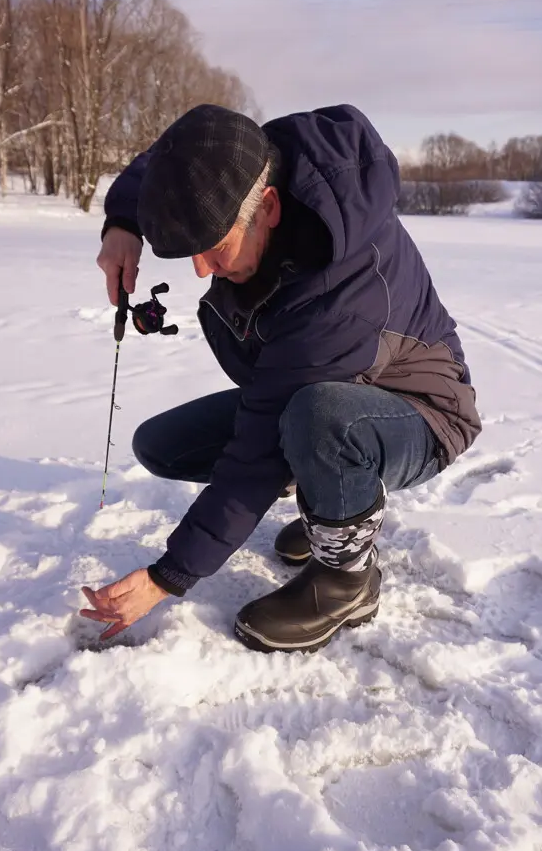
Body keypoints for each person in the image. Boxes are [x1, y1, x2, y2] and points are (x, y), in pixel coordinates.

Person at [81, 103, 481, 653]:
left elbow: (254, 460)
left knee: (314, 420)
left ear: (267, 207)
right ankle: (330, 499)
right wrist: (124, 222)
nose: (200, 269)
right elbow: (166, 159)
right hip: (326, 390)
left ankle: (347, 580)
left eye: (214, 246)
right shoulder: (248, 162)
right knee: (163, 445)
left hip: (423, 412)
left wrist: (168, 576)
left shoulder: (340, 294)